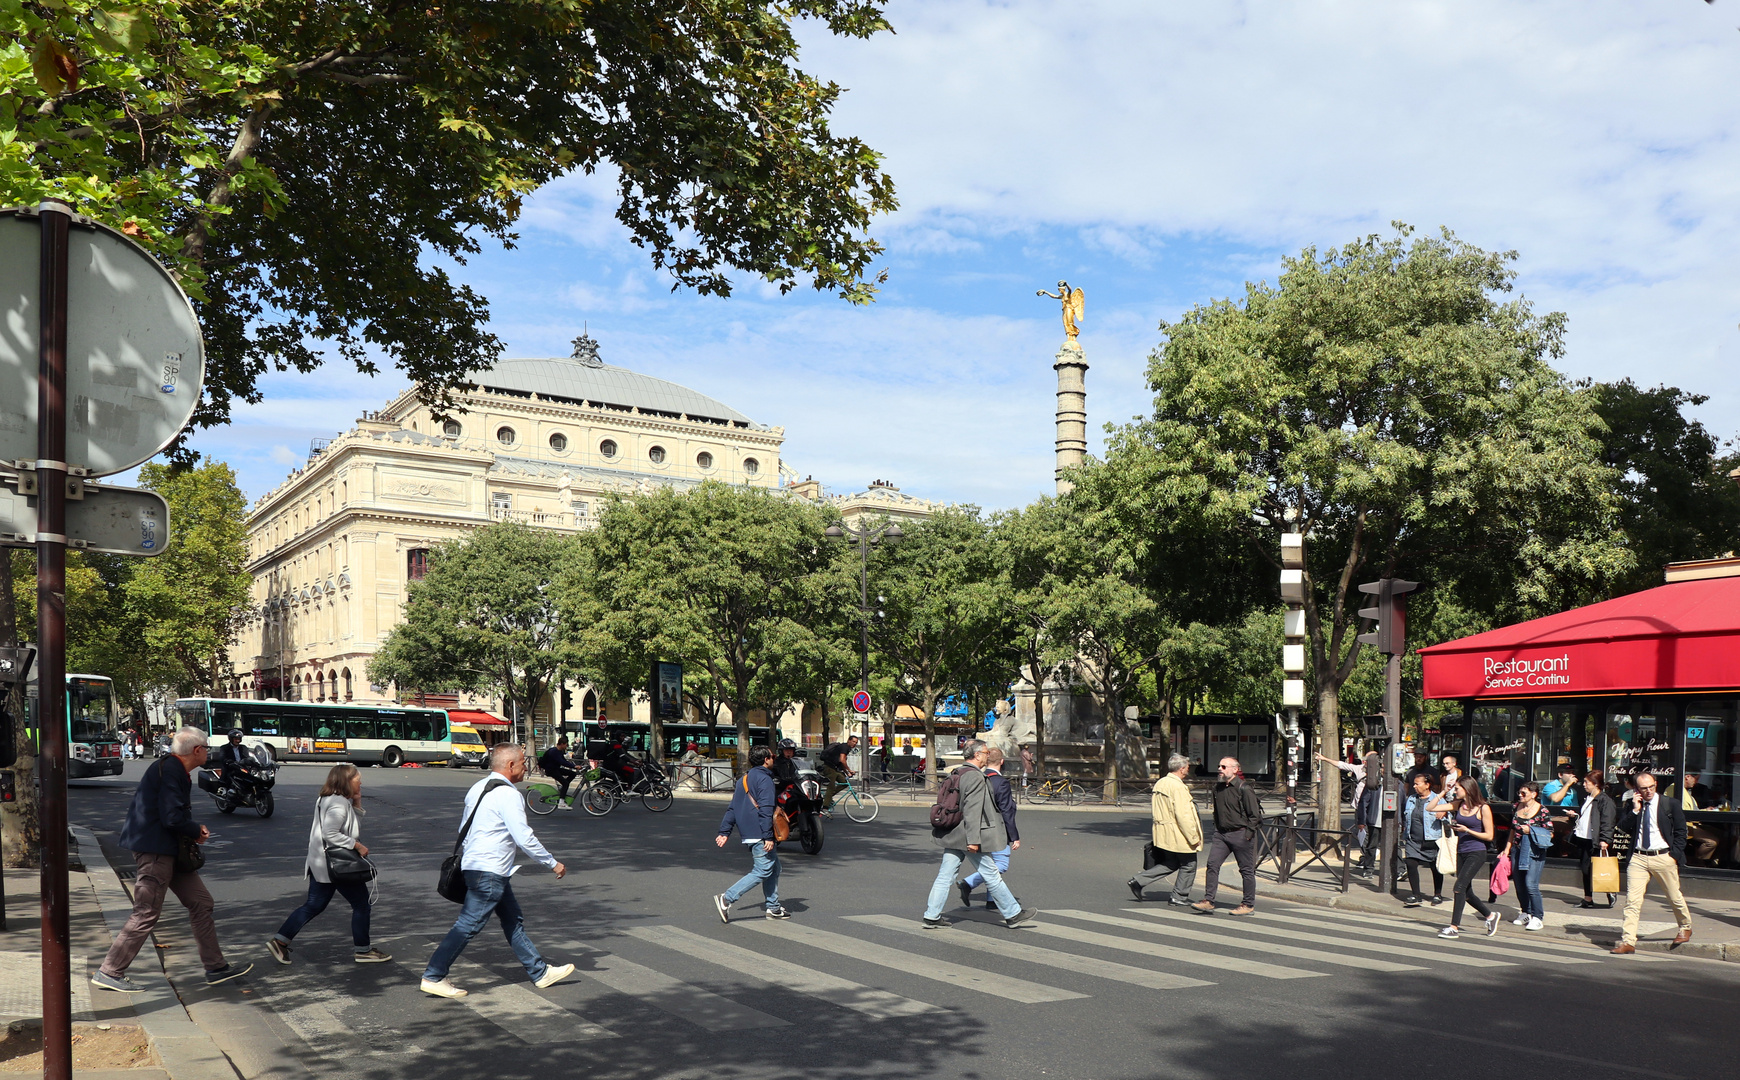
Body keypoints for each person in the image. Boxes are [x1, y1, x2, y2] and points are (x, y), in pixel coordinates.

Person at [93, 727, 251, 992]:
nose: (209, 753)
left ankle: (215, 967)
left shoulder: (170, 767)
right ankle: (110, 971)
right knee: (146, 911)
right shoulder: (173, 770)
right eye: (206, 748)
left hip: (169, 849)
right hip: (157, 850)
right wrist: (195, 829)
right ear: (197, 750)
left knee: (201, 903)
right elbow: (172, 817)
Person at [420, 744, 574, 998]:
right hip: (490, 871)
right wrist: (552, 862)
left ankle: (540, 972)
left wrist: (471, 860)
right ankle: (434, 975)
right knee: (468, 925)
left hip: (480, 867)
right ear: (510, 765)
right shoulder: (509, 795)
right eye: (523, 762)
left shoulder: (477, 788)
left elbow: (465, 830)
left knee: (513, 920)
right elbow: (523, 837)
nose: (526, 767)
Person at [268, 763, 390, 965]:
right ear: (347, 781)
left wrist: (357, 804)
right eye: (358, 780)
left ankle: (280, 941)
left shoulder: (329, 799)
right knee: (361, 905)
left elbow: (349, 827)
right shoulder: (338, 803)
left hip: (322, 864)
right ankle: (363, 950)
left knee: (314, 905)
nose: (361, 783)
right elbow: (330, 833)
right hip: (337, 866)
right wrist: (356, 845)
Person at [922, 739, 1033, 929]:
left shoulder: (957, 772)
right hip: (968, 836)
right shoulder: (975, 777)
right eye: (985, 752)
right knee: (991, 873)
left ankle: (931, 915)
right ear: (977, 755)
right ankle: (1013, 913)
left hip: (954, 833)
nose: (987, 755)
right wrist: (974, 840)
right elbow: (973, 811)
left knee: (945, 875)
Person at [1611, 770, 1693, 954]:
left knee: (1673, 896)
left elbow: (1681, 831)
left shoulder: (1669, 804)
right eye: (1643, 788)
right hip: (1638, 858)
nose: (1648, 791)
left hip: (1663, 856)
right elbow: (1622, 828)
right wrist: (1635, 809)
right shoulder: (1633, 805)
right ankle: (1628, 941)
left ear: (1656, 784)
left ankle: (1685, 926)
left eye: (1651, 787)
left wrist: (1675, 854)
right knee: (1632, 901)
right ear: (1636, 789)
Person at [713, 745, 788, 922]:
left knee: (774, 868)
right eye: (772, 757)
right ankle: (727, 898)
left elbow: (733, 808)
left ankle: (773, 907)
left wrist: (725, 831)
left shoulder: (744, 779)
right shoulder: (765, 780)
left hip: (750, 832)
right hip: (760, 832)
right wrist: (768, 836)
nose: (774, 759)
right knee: (762, 870)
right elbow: (766, 810)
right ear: (766, 760)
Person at [1128, 753, 1203, 906]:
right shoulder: (1178, 787)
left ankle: (1138, 881)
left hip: (1163, 832)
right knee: (1189, 864)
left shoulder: (1161, 783)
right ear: (1182, 769)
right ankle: (1179, 896)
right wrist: (1193, 837)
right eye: (1187, 767)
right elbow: (1183, 816)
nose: (1188, 769)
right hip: (1178, 833)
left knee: (1171, 862)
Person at [1192, 757, 1262, 916]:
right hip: (1221, 834)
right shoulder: (1218, 788)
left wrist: (1248, 834)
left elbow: (1254, 815)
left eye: (1224, 766)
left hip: (1241, 834)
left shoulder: (1244, 788)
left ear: (1235, 770)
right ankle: (1208, 901)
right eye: (1219, 766)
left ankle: (1248, 904)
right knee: (1212, 865)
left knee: (1246, 870)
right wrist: (1217, 828)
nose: (1220, 769)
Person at [1437, 777, 1500, 939]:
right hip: (1461, 851)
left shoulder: (1483, 808)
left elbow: (1489, 835)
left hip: (1477, 852)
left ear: (1467, 789)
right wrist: (1443, 791)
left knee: (1459, 887)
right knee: (1466, 892)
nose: (1455, 791)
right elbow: (1431, 807)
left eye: (1457, 788)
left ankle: (1454, 927)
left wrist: (1467, 830)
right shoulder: (1459, 805)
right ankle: (1490, 916)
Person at [959, 747, 1020, 908]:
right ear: (1002, 761)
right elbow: (1006, 811)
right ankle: (968, 883)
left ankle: (991, 900)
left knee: (990, 863)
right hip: (996, 831)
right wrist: (1014, 836)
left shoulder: (979, 777)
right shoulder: (1001, 782)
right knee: (1000, 865)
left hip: (977, 829)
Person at [1506, 781, 1550, 931]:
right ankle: (1526, 912)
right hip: (1517, 849)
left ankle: (1538, 916)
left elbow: (1550, 833)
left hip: (1534, 851)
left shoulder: (1542, 810)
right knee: (1519, 884)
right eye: (1519, 792)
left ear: (1533, 794)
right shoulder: (1515, 807)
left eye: (1524, 793)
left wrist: (1530, 830)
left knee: (1531, 884)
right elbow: (1512, 830)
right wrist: (1507, 849)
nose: (1520, 795)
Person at [1400, 772, 1447, 908]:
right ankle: (1416, 895)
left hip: (1431, 839)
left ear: (1427, 785)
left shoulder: (1438, 799)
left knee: (1435, 867)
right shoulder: (1411, 799)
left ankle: (1437, 894)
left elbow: (1449, 814)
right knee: (1410, 863)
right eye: (1414, 783)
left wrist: (1444, 813)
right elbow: (1406, 815)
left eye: (1417, 783)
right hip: (1413, 839)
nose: (1414, 786)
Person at [1572, 768, 1617, 909]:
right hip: (1584, 838)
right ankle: (1588, 898)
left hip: (1596, 840)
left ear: (1596, 784)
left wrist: (1605, 839)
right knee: (1585, 869)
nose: (1584, 785)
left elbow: (1607, 821)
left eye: (1587, 782)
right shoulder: (1589, 798)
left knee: (1599, 868)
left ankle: (1610, 890)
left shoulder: (1604, 801)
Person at [538, 736, 578, 809]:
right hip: (551, 770)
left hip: (556, 769)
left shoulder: (559, 751)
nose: (567, 746)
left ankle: (563, 788)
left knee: (573, 774)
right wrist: (574, 767)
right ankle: (561, 803)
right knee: (565, 783)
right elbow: (562, 762)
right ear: (562, 744)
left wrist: (574, 766)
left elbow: (564, 761)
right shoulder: (554, 751)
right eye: (566, 744)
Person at [819, 735, 858, 810]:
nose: (854, 744)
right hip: (829, 767)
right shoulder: (845, 747)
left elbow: (841, 763)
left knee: (844, 782)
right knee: (831, 787)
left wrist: (847, 773)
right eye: (853, 741)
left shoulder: (846, 748)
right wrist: (849, 770)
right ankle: (825, 808)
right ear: (849, 740)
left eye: (856, 742)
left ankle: (828, 797)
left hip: (835, 768)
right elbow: (842, 760)